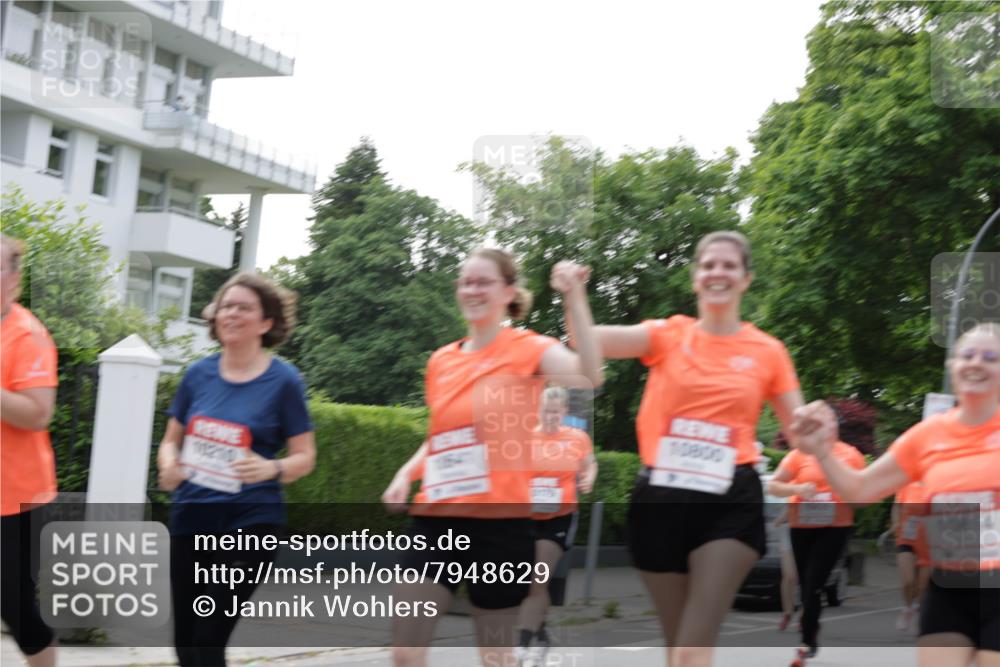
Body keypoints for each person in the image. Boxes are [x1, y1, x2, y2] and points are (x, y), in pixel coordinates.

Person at [589, 230, 804, 667]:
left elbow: (799, 434)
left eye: (728, 265)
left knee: (690, 649)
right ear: (695, 278)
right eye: (708, 265)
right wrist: (574, 293)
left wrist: (817, 426)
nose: (717, 273)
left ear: (746, 279)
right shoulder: (668, 334)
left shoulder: (768, 351)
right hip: (660, 498)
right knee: (677, 649)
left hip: (731, 500)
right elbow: (588, 341)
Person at [381, 250, 603, 667]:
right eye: (466, 282)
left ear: (508, 292)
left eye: (484, 281)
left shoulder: (529, 348)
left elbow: (590, 375)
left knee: (496, 657)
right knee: (405, 652)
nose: (473, 289)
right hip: (436, 519)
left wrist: (575, 299)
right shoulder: (440, 361)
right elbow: (441, 438)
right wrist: (403, 474)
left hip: (501, 528)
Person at [793, 322, 1000, 667]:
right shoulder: (927, 435)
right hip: (948, 587)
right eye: (967, 355)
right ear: (952, 366)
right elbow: (860, 490)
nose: (976, 363)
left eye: (990, 357)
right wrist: (823, 451)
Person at [156, 272, 316, 667]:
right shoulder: (198, 375)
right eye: (227, 305)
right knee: (186, 644)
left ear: (266, 322)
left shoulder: (284, 381)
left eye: (244, 307)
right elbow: (170, 440)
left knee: (209, 636)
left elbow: (305, 457)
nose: (232, 313)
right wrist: (168, 467)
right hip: (192, 515)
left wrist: (270, 467)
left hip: (251, 520)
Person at [0, 234, 59, 667]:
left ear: (14, 279)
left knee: (16, 606)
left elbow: (38, 413)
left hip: (14, 496)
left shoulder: (28, 336)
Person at [514, 385, 598, 666]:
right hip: (526, 517)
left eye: (555, 411)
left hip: (558, 518)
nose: (550, 416)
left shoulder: (577, 438)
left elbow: (590, 464)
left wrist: (589, 478)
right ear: (538, 411)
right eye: (545, 411)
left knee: (536, 581)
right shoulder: (527, 438)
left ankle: (523, 646)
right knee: (529, 586)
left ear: (563, 412)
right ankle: (542, 632)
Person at [767, 432, 865, 663]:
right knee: (805, 582)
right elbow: (773, 486)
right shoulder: (798, 455)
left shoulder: (850, 455)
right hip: (801, 525)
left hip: (834, 527)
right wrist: (797, 490)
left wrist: (847, 494)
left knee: (813, 582)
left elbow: (864, 490)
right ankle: (811, 627)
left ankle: (806, 641)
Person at [892, 481, 931, 633]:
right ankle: (908, 608)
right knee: (908, 581)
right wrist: (896, 523)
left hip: (929, 540)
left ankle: (921, 616)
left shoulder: (936, 481)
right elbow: (896, 506)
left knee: (923, 586)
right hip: (907, 537)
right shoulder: (906, 484)